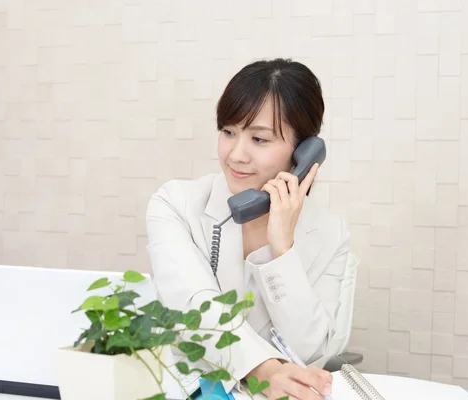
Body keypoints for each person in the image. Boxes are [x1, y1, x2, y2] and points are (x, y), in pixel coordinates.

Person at [146, 58, 350, 400]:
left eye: (259, 139)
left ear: (303, 152)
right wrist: (265, 371)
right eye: (228, 132)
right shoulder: (175, 204)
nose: (236, 155)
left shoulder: (330, 232)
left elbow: (311, 353)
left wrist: (281, 251)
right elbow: (195, 307)